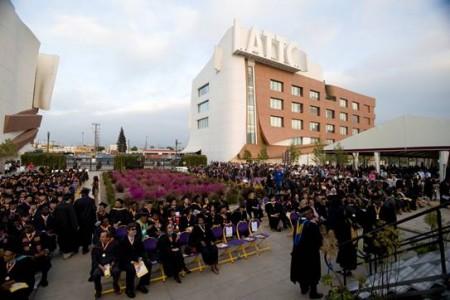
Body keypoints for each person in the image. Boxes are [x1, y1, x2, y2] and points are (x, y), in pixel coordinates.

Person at [290, 206, 323, 299]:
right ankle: (313, 293)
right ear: (308, 214)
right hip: (310, 255)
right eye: (311, 213)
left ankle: (303, 288)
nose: (313, 215)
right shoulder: (311, 225)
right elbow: (318, 241)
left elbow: (294, 238)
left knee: (302, 271)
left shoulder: (298, 223)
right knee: (312, 273)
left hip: (298, 253)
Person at [118, 223, 151, 298]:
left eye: (135, 229)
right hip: (125, 261)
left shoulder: (137, 239)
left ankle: (141, 285)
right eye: (132, 229)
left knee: (148, 263)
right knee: (131, 269)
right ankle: (129, 289)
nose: (135, 230)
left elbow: (142, 250)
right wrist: (133, 261)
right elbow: (122, 255)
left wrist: (141, 258)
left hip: (136, 258)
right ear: (128, 231)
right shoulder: (122, 241)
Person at [91, 231, 120, 298]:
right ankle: (98, 290)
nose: (101, 238)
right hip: (101, 266)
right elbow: (94, 259)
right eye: (101, 237)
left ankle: (115, 285)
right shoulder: (96, 247)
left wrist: (112, 264)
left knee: (116, 271)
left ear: (108, 238)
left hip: (111, 265)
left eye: (103, 237)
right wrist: (101, 267)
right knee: (95, 274)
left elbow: (116, 256)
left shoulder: (114, 245)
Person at [53, 194, 79, 259]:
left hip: (60, 228)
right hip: (69, 228)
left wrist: (56, 228)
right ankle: (68, 252)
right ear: (70, 199)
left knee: (62, 239)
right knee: (70, 240)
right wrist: (75, 226)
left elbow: (55, 218)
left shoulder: (58, 206)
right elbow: (73, 218)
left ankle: (63, 250)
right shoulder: (69, 206)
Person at [74, 188, 97, 254]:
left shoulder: (77, 201)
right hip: (89, 221)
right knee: (87, 234)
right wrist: (94, 220)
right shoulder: (91, 200)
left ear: (82, 194)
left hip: (80, 221)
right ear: (87, 193)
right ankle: (85, 248)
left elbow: (74, 212)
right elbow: (94, 210)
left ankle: (78, 248)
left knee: (81, 234)